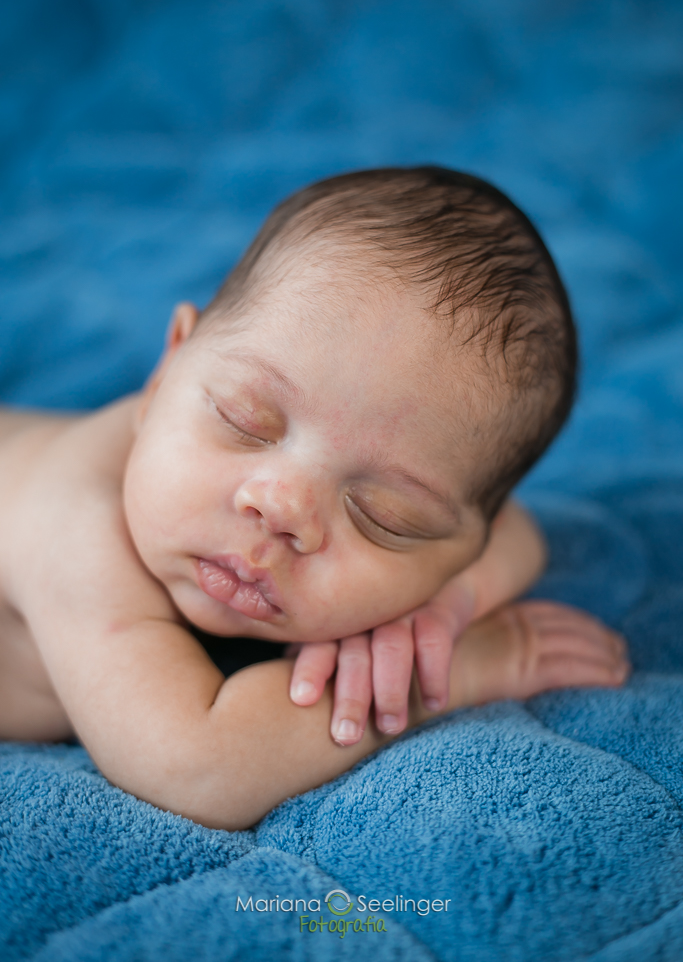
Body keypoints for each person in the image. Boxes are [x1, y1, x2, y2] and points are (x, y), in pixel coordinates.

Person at [0, 167, 628, 830]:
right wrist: (452, 672)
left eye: (382, 516)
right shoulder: (73, 529)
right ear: (165, 372)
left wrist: (449, 604)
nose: (282, 508)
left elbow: (512, 528)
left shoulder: (441, 527)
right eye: (246, 422)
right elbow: (195, 767)